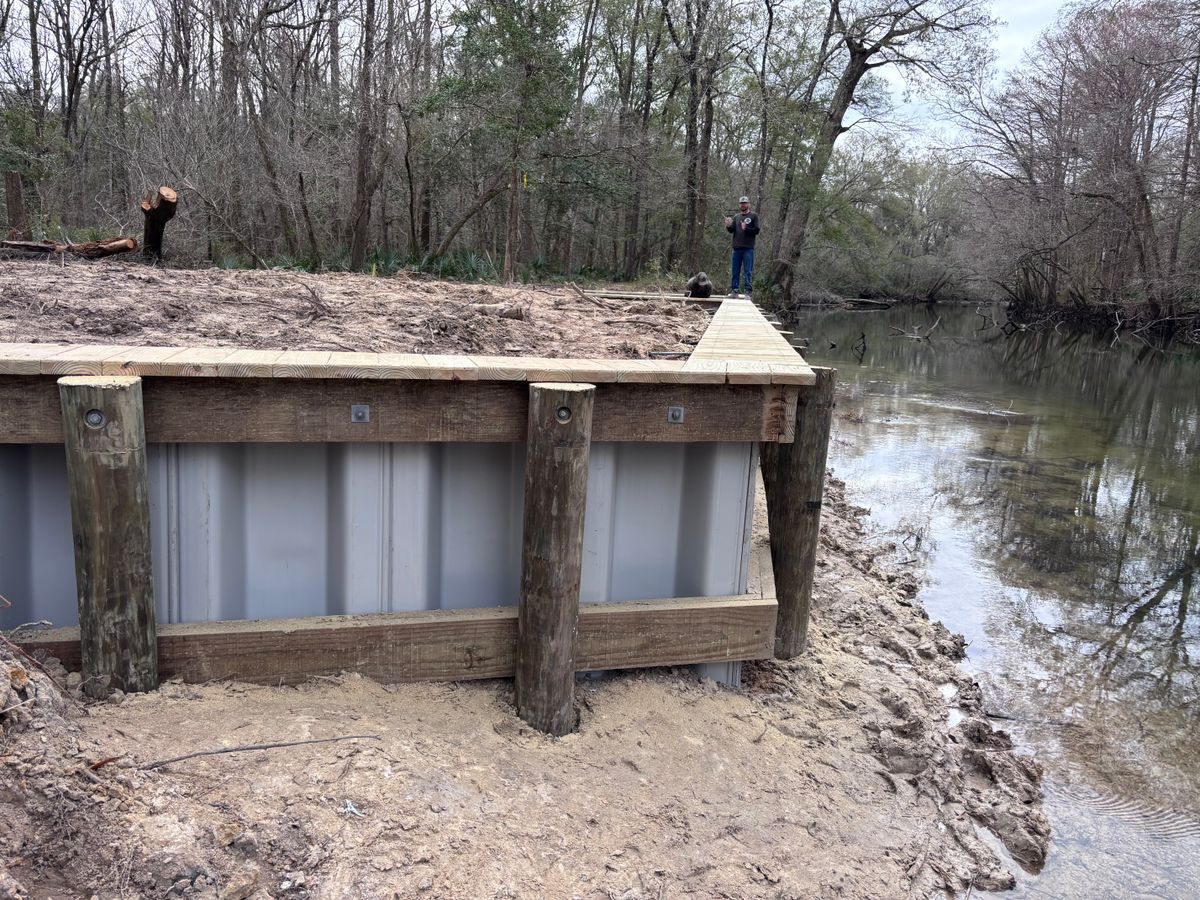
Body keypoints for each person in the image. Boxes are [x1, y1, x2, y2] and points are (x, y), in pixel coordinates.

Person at [723, 196, 759, 297]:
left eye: (745, 203)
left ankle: (748, 292)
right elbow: (731, 231)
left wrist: (746, 228)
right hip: (736, 248)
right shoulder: (736, 217)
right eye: (741, 203)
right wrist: (728, 225)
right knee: (735, 271)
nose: (743, 205)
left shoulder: (753, 216)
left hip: (748, 248)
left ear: (748, 204)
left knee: (748, 271)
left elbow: (757, 230)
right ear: (739, 205)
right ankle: (734, 290)